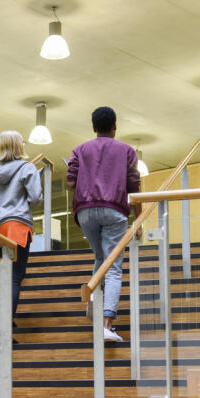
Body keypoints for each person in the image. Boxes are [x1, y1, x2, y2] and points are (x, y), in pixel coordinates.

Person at [66, 106, 142, 342]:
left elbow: (70, 182)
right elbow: (134, 187)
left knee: (101, 258)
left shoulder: (80, 150)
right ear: (115, 126)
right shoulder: (127, 151)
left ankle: (92, 306)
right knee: (114, 265)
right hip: (114, 210)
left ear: (93, 127)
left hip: (85, 211)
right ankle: (107, 323)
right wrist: (138, 220)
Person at [0, 130, 42, 332]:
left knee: (7, 272)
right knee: (15, 276)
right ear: (19, 146)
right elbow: (36, 199)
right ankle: (3, 316)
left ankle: (2, 311)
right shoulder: (27, 168)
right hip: (16, 226)